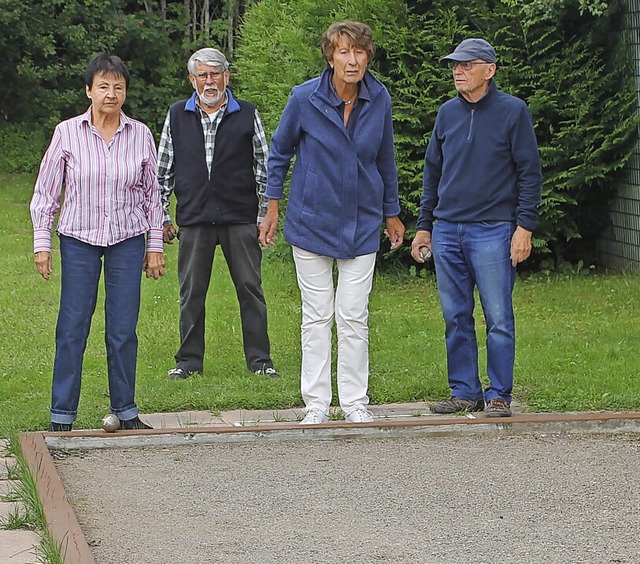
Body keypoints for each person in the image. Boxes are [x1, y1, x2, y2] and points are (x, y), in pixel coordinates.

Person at [259, 20, 405, 424]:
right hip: (311, 223)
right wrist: (271, 208)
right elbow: (279, 153)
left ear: (367, 56)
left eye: (359, 52)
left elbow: (385, 159)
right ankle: (317, 404)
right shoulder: (304, 98)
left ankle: (356, 402)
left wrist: (392, 213)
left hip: (362, 223)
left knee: (354, 316)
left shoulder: (380, 98)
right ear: (330, 56)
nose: (352, 60)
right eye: (344, 52)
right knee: (317, 314)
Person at [30, 52, 165, 432]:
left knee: (123, 328)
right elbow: (46, 193)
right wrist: (43, 243)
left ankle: (126, 410)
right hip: (78, 238)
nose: (111, 94)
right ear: (89, 90)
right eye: (103, 86)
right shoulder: (67, 132)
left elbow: (152, 195)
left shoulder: (140, 134)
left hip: (127, 238)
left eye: (118, 87)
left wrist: (154, 246)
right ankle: (62, 415)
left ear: (125, 92)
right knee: (72, 326)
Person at [411, 38, 541, 418]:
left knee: (498, 316)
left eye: (467, 64)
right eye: (455, 65)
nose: (458, 70)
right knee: (455, 315)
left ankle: (499, 394)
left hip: (494, 230)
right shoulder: (447, 114)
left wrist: (524, 227)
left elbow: (529, 173)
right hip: (448, 229)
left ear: (490, 70)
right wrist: (425, 227)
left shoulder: (513, 112)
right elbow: (432, 173)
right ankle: (465, 391)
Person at [158, 48, 278, 381]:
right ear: (192, 80)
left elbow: (264, 167)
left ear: (227, 76)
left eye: (215, 74)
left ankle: (260, 361)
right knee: (191, 293)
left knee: (250, 289)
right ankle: (188, 361)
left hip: (240, 217)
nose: (209, 81)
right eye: (202, 75)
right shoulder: (177, 114)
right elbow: (163, 171)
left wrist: (267, 212)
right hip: (194, 218)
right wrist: (162, 217)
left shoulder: (247, 113)